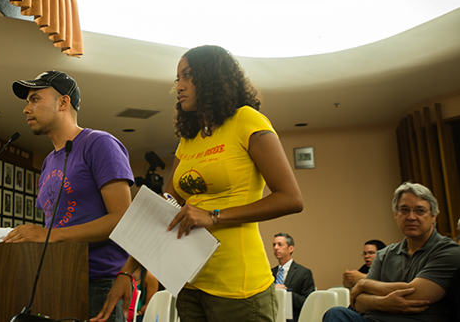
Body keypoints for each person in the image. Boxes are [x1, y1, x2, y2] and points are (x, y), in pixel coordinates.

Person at [92, 45, 303, 322]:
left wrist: (213, 217)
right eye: (177, 78)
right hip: (190, 282)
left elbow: (291, 198)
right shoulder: (189, 139)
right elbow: (164, 211)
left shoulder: (247, 120)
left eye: (188, 75)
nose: (179, 86)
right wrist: (126, 271)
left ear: (213, 78)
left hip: (238, 286)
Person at [4, 70, 134, 321]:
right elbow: (53, 225)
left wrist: (51, 236)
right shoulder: (48, 162)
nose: (26, 109)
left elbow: (122, 219)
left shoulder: (99, 143)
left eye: (35, 99)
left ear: (63, 102)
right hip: (57, 281)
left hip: (98, 284)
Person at [323, 182, 460, 322]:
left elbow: (416, 294)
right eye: (404, 210)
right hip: (372, 320)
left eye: (420, 211)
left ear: (433, 216)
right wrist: (383, 303)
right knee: (336, 313)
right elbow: (358, 301)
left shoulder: (449, 251)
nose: (411, 217)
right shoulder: (384, 254)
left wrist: (365, 284)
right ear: (396, 215)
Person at [271, 233, 315, 320]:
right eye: (274, 245)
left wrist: (286, 293)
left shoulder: (303, 273)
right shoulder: (270, 273)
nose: (275, 248)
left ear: (291, 248)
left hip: (293, 318)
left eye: (280, 244)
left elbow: (308, 302)